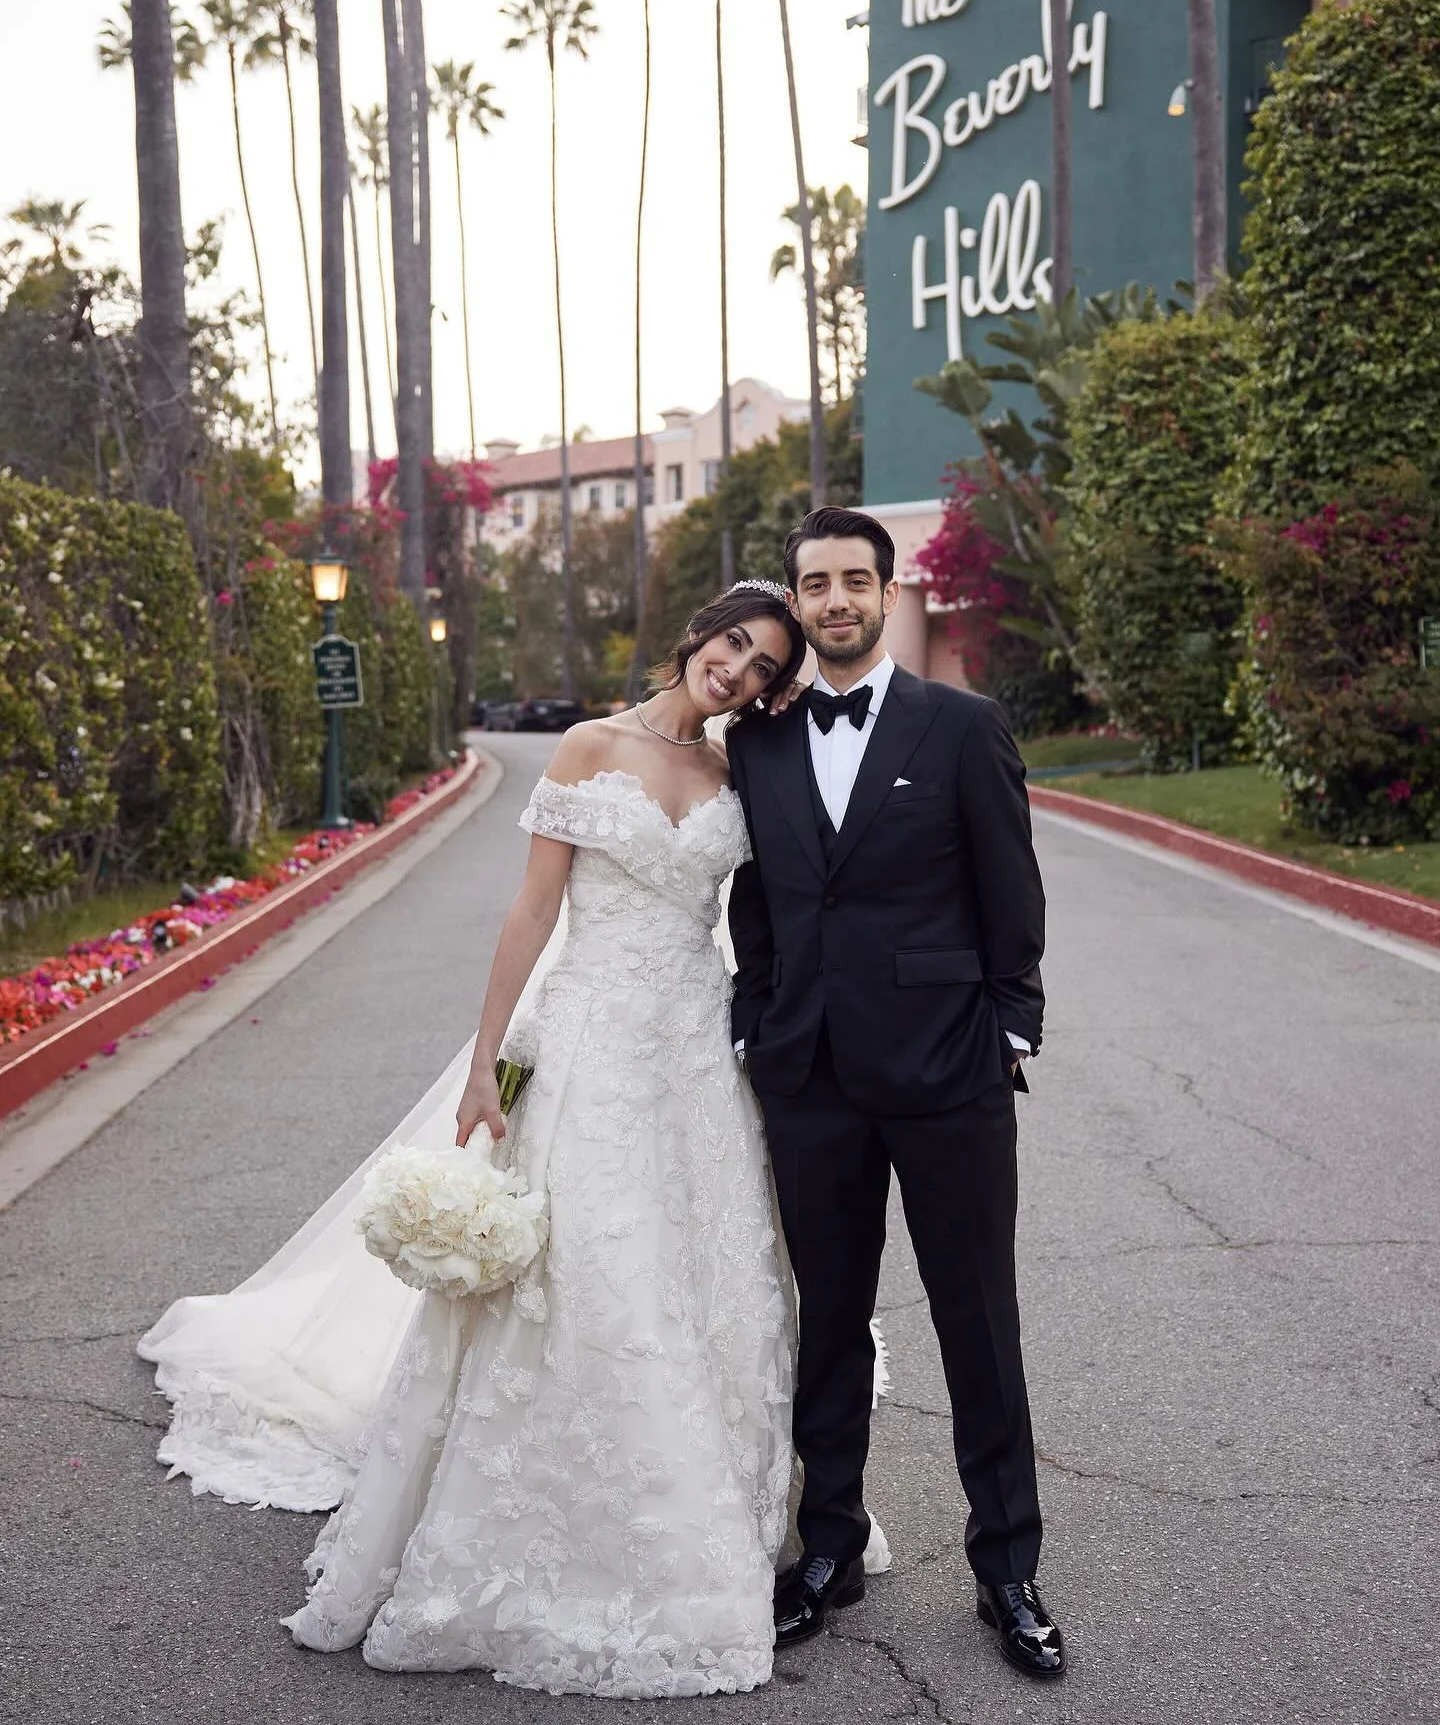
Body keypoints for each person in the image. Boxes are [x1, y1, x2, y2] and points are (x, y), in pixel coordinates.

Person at [139, 582, 882, 1699]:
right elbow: (534, 910)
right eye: (734, 643)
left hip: (694, 1052)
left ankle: (716, 1501)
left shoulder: (742, 771)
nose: (738, 670)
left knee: (708, 1277)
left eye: (764, 667)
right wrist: (486, 1058)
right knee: (592, 1276)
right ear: (699, 635)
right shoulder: (589, 746)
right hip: (589, 1044)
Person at [725, 508, 1065, 1682]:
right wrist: (755, 1018)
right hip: (809, 1076)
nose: (836, 601)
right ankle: (828, 1548)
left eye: (854, 582)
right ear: (796, 599)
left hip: (949, 1069)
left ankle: (1007, 1568)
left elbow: (1010, 887)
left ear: (886, 591)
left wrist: (1010, 1025)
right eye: (815, 584)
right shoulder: (758, 741)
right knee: (827, 1318)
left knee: (979, 1320)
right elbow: (757, 899)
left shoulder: (963, 726)